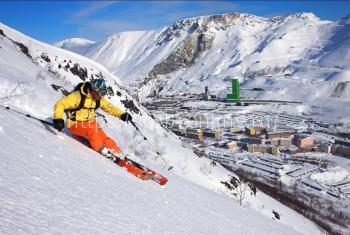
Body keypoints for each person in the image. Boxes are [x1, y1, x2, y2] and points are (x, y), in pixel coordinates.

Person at [53, 78, 132, 159]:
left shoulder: (98, 99)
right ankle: (103, 151)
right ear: (93, 90)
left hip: (90, 123)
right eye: (101, 93)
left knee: (103, 137)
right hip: (74, 124)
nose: (102, 96)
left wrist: (122, 114)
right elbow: (60, 104)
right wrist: (58, 118)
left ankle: (117, 152)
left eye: (104, 94)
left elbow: (109, 107)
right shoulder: (77, 96)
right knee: (92, 130)